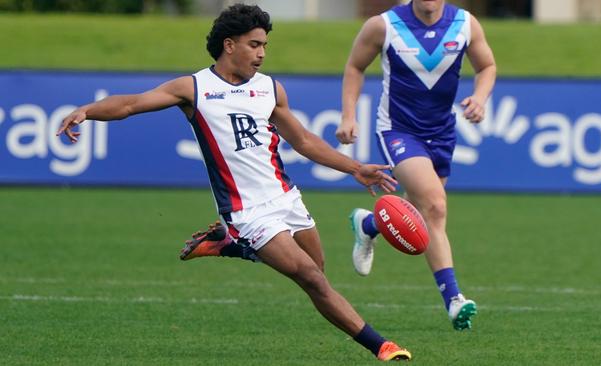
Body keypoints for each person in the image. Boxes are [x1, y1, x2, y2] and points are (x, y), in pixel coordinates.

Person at [57, 4, 412, 361]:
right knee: (312, 280)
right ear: (229, 45)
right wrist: (87, 110)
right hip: (246, 211)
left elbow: (303, 141)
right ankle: (382, 346)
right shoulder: (194, 88)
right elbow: (132, 104)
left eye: (264, 46)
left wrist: (354, 168)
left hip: (285, 197)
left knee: (317, 269)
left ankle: (230, 246)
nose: (261, 54)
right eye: (254, 44)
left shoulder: (270, 89)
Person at [335, 0, 497, 331]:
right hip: (398, 130)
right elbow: (354, 67)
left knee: (422, 211)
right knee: (435, 206)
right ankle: (454, 300)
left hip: (441, 132)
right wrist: (349, 115)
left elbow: (487, 66)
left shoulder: (466, 24)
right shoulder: (383, 25)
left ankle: (369, 226)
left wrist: (480, 97)